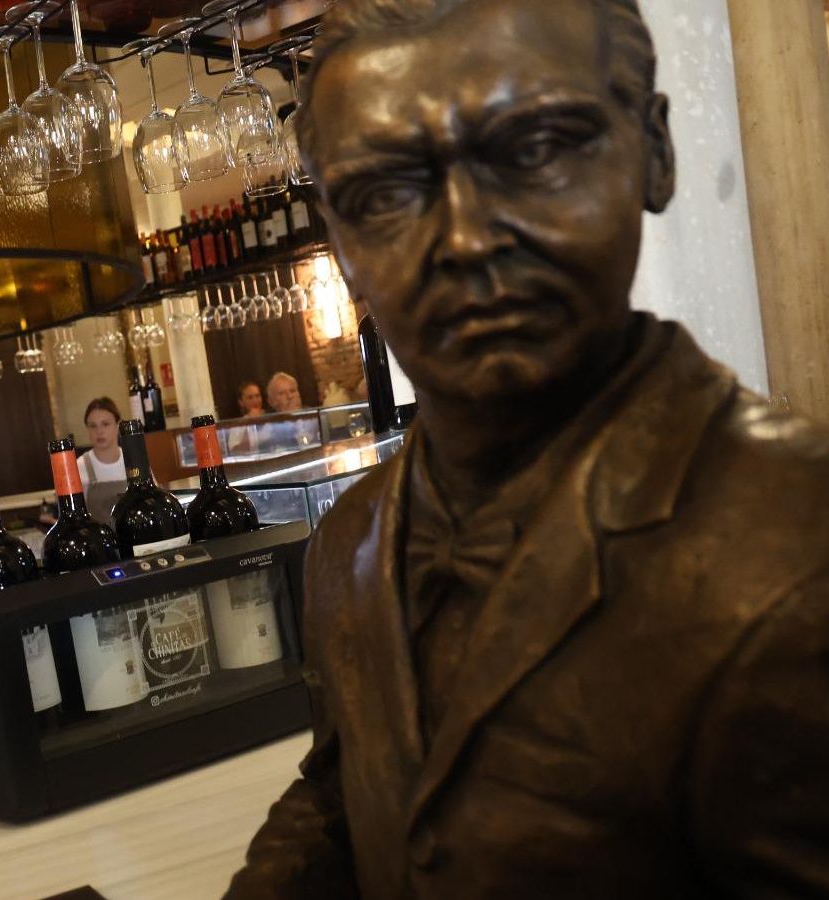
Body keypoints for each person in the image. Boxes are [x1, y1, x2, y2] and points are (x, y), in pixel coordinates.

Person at [227, 1, 829, 897]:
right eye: (386, 192)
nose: (466, 238)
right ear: (341, 243)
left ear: (653, 152)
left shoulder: (801, 547)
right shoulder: (347, 548)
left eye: (538, 150)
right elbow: (348, 792)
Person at [78, 397, 128, 526]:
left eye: (105, 424)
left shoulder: (133, 460)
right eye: (93, 426)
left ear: (117, 425)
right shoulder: (79, 467)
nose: (99, 431)